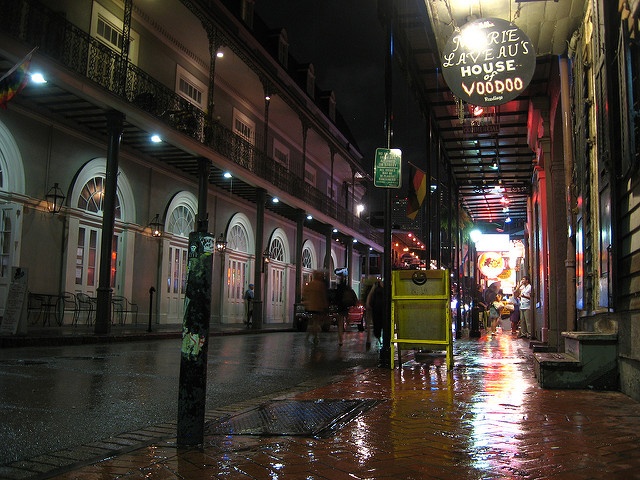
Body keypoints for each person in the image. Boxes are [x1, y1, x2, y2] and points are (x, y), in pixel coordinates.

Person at [302, 270, 328, 344]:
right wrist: (325, 305)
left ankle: (311, 336)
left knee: (312, 322)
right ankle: (315, 337)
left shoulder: (310, 284)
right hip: (318, 307)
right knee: (316, 322)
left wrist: (306, 302)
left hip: (310, 306)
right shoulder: (321, 285)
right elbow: (323, 296)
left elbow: (304, 294)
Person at [366, 279, 384, 346]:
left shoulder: (376, 288)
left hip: (377, 308)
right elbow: (370, 295)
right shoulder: (376, 287)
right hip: (377, 308)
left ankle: (377, 339)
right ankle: (378, 339)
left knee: (377, 324)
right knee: (377, 324)